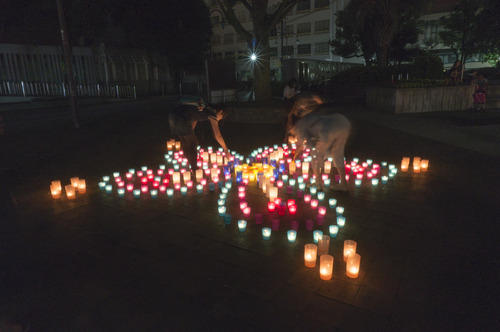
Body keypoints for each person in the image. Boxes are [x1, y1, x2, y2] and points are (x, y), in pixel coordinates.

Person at [287, 93, 351, 192]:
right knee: (337, 153)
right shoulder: (307, 118)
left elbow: (308, 144)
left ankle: (318, 183)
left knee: (315, 155)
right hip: (342, 122)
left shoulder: (298, 127)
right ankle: (343, 184)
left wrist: (308, 151)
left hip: (328, 129)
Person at [169, 96, 229, 172]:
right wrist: (226, 149)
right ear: (220, 112)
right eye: (221, 117)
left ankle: (191, 163)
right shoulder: (212, 113)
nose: (219, 119)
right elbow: (217, 135)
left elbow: (193, 120)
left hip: (173, 115)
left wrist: (190, 132)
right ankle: (195, 169)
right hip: (181, 118)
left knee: (186, 142)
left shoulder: (204, 108)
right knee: (193, 143)